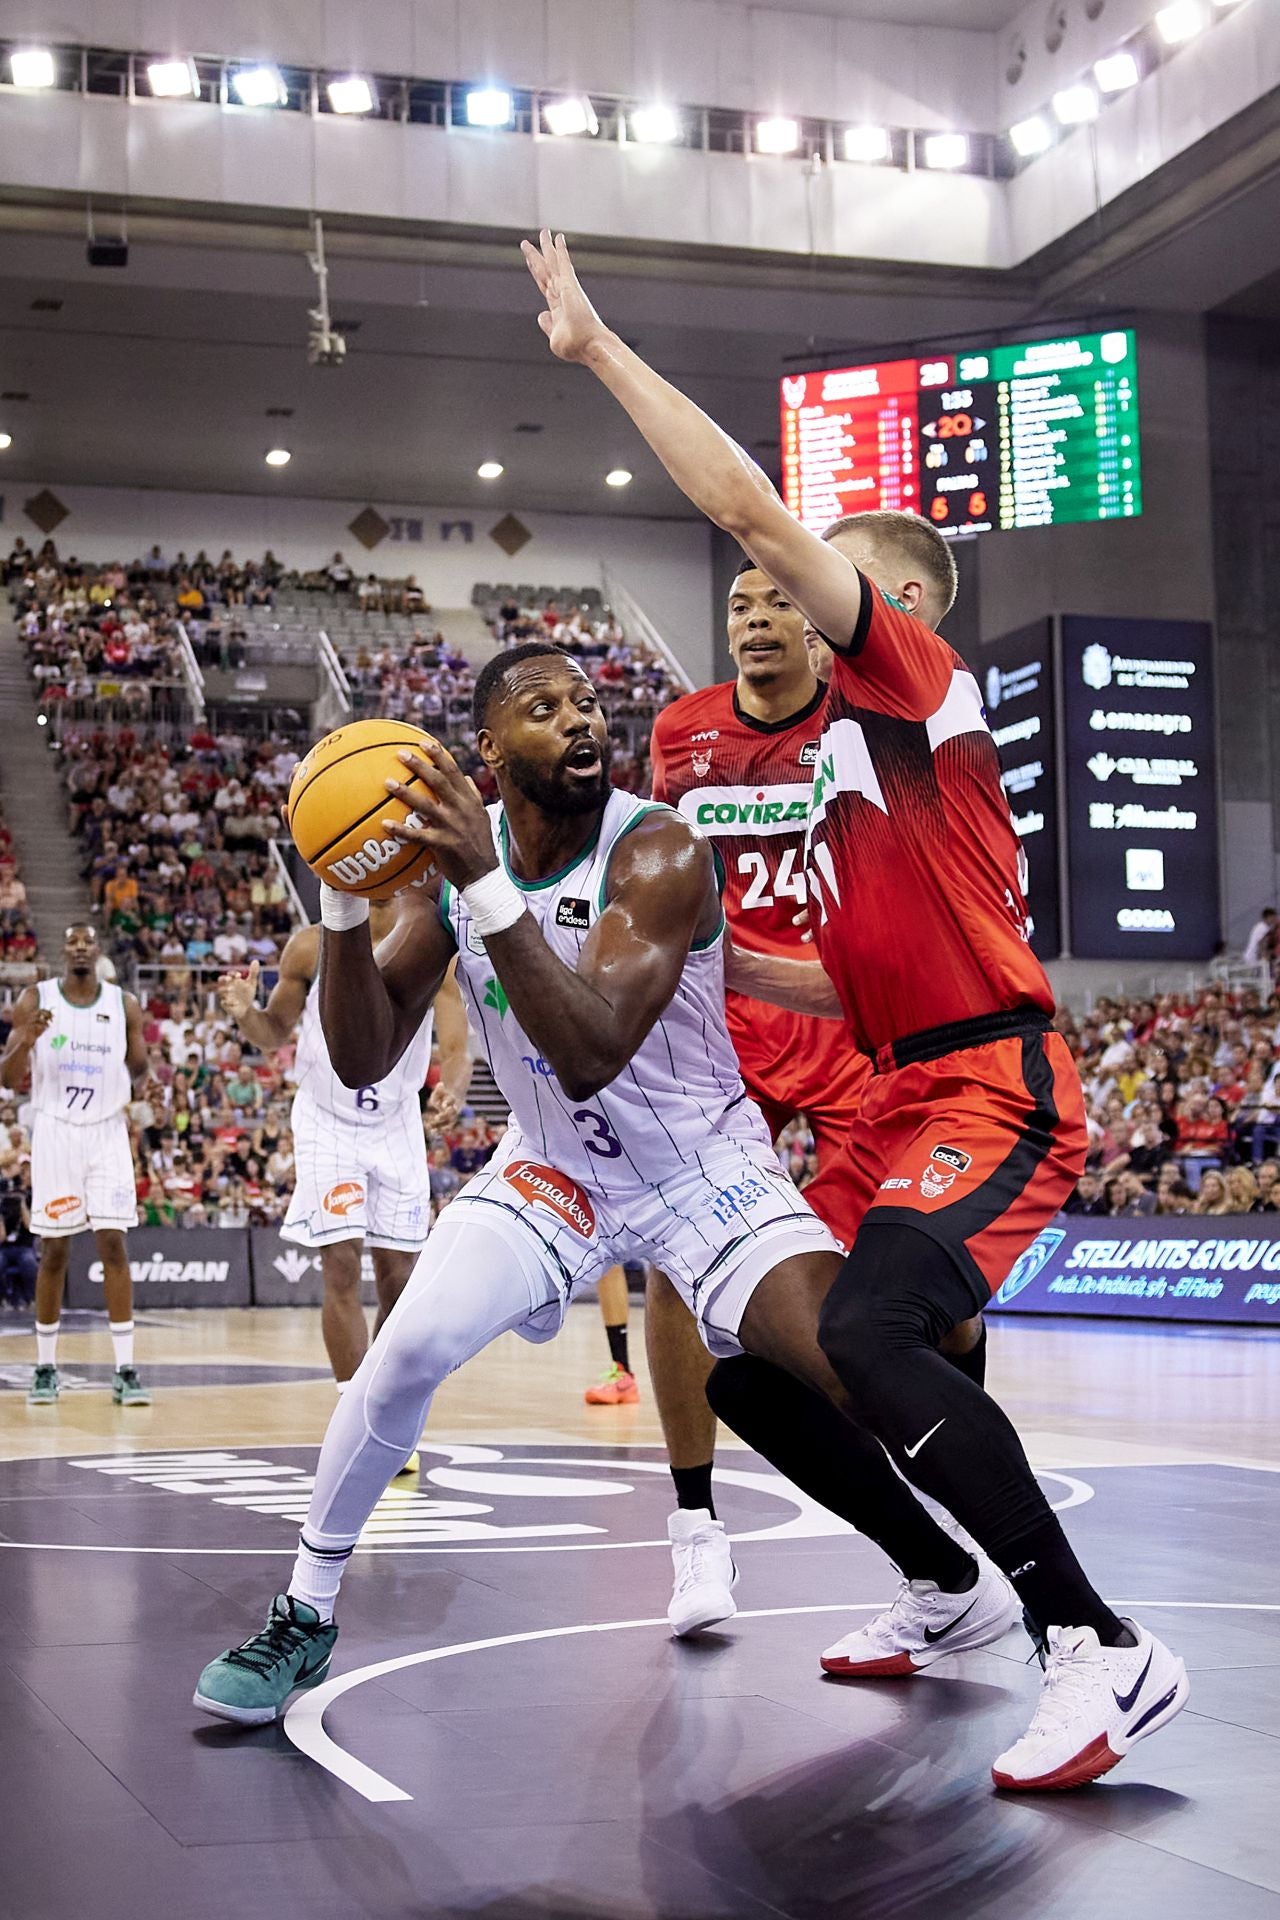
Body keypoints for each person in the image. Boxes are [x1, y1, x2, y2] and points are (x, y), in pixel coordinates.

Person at [518, 229, 1187, 1789]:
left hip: (996, 1088)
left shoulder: (913, 678)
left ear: (880, 603)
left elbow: (748, 504)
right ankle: (948, 1589)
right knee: (766, 1366)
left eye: (811, 580)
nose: (775, 592)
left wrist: (601, 352)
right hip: (901, 1073)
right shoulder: (842, 772)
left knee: (886, 1331)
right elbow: (822, 972)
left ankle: (1096, 1644)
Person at [195, 642, 872, 1724]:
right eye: (542, 707)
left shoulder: (655, 849)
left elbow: (590, 1049)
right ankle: (304, 1610)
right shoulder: (456, 875)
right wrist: (338, 907)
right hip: (555, 1169)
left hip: (698, 1164)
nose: (576, 719)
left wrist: (478, 881)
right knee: (406, 1346)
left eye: (586, 701)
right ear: (489, 751)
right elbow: (365, 1055)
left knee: (849, 1364)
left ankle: (956, 1582)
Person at [641, 557, 985, 1630]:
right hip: (722, 1031)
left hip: (850, 1026)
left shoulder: (865, 721)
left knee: (904, 1290)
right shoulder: (680, 732)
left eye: (777, 599)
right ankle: (695, 1533)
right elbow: (655, 870)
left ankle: (957, 1507)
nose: (754, 617)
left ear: (819, 617)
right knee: (674, 1264)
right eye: (738, 603)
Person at [216, 911, 472, 1392]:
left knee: (400, 1275)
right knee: (342, 1264)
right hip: (326, 1118)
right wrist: (247, 1012)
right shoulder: (312, 945)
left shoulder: (434, 950)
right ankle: (351, 1408)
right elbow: (272, 1031)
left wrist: (453, 1090)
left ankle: (381, 1399)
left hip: (396, 1121)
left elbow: (458, 1049)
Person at [0, 922, 155, 1404]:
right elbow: (8, 1077)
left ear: (98, 949)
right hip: (56, 1133)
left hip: (107, 1130)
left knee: (113, 1245)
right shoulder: (35, 999)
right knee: (55, 1249)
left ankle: (126, 1370)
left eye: (88, 940)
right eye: (72, 941)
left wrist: (149, 1087)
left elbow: (140, 1066)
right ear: (61, 950)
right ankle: (45, 1368)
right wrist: (25, 1038)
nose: (81, 947)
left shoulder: (123, 1003)